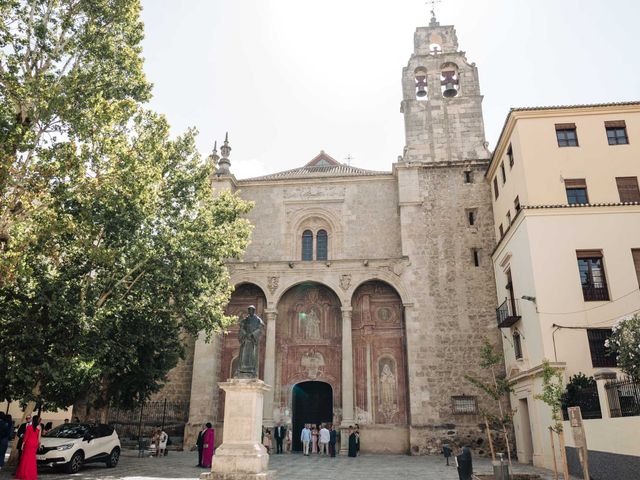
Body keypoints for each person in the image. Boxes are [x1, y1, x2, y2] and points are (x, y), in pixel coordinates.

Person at [15, 414, 40, 480]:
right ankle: (31, 474)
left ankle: (24, 473)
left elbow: (26, 437)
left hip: (28, 443)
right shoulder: (39, 427)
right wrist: (38, 445)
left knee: (25, 459)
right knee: (32, 459)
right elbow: (39, 438)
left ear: (32, 419)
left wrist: (23, 444)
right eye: (27, 418)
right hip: (34, 444)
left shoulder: (29, 427)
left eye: (29, 418)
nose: (28, 419)